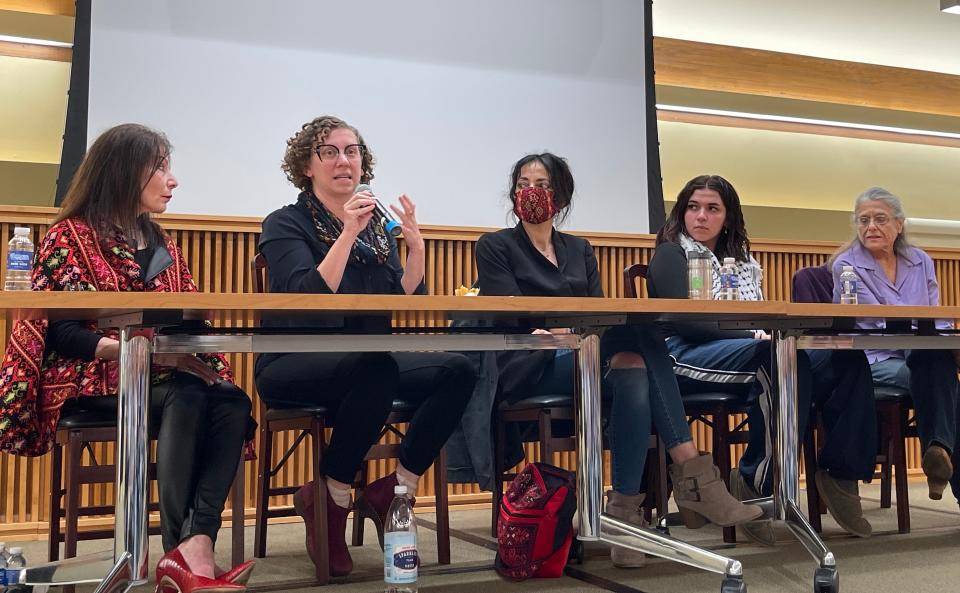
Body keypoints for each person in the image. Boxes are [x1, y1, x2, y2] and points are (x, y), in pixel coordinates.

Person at [0, 124, 255, 592]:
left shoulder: (159, 241)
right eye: (160, 167)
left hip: (158, 373)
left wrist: (192, 332)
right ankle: (185, 554)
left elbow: (186, 314)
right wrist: (146, 355)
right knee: (189, 394)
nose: (172, 179)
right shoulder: (69, 236)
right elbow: (64, 332)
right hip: (89, 377)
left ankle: (195, 544)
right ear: (122, 172)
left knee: (233, 400)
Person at [476, 154, 760, 568]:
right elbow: (508, 315)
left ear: (561, 195)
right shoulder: (496, 246)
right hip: (534, 365)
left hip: (585, 356)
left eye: (543, 182)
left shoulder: (579, 249)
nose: (531, 190)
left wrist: (573, 332)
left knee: (633, 367)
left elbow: (596, 316)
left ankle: (623, 516)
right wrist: (565, 332)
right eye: (523, 183)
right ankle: (693, 474)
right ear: (513, 192)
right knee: (642, 331)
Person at [254, 115, 475, 577]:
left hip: (370, 361)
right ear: (307, 166)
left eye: (351, 151)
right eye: (329, 152)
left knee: (459, 367)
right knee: (376, 367)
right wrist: (347, 233)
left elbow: (400, 299)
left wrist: (414, 248)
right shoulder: (285, 223)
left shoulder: (377, 229)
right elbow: (308, 298)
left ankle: (395, 489)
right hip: (293, 362)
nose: (343, 161)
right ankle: (332, 500)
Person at [647, 174, 878, 540]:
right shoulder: (671, 252)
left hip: (746, 350)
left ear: (728, 217)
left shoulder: (743, 260)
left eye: (712, 209)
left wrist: (760, 333)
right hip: (685, 356)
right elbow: (688, 323)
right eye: (693, 207)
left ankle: (841, 474)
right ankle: (759, 481)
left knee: (846, 360)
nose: (701, 217)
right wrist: (750, 333)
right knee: (781, 361)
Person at [832, 186, 960, 503]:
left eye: (880, 219)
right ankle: (939, 454)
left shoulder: (921, 261)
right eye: (863, 220)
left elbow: (937, 319)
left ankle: (939, 451)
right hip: (874, 360)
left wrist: (939, 340)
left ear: (899, 224)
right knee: (952, 390)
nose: (871, 227)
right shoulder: (846, 266)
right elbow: (879, 323)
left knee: (934, 359)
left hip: (921, 355)